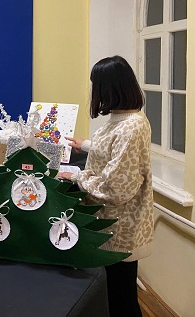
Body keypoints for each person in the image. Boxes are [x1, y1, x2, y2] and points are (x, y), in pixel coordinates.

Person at [57, 55, 153, 317]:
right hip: (111, 222)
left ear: (109, 88)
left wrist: (78, 177)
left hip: (119, 226)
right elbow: (116, 154)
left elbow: (117, 189)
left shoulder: (131, 127)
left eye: (95, 85)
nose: (93, 91)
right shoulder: (124, 119)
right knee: (115, 292)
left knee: (121, 299)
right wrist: (87, 145)